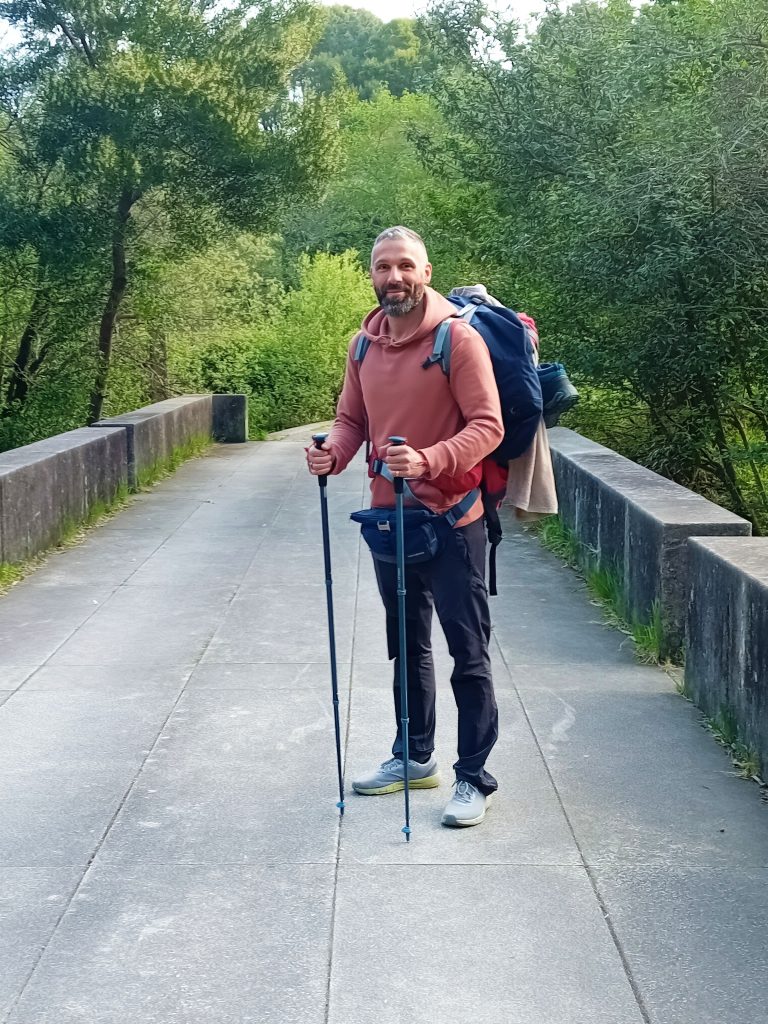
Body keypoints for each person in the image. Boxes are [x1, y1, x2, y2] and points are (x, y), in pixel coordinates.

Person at [306, 226, 504, 827]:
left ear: (426, 271)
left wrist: (428, 460)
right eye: (383, 268)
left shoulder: (457, 340)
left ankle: (473, 777)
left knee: (467, 653)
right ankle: (414, 757)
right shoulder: (362, 346)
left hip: (451, 521)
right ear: (372, 275)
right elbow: (350, 419)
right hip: (388, 522)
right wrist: (333, 454)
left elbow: (488, 426)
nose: (394, 278)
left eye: (405, 267)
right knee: (406, 648)